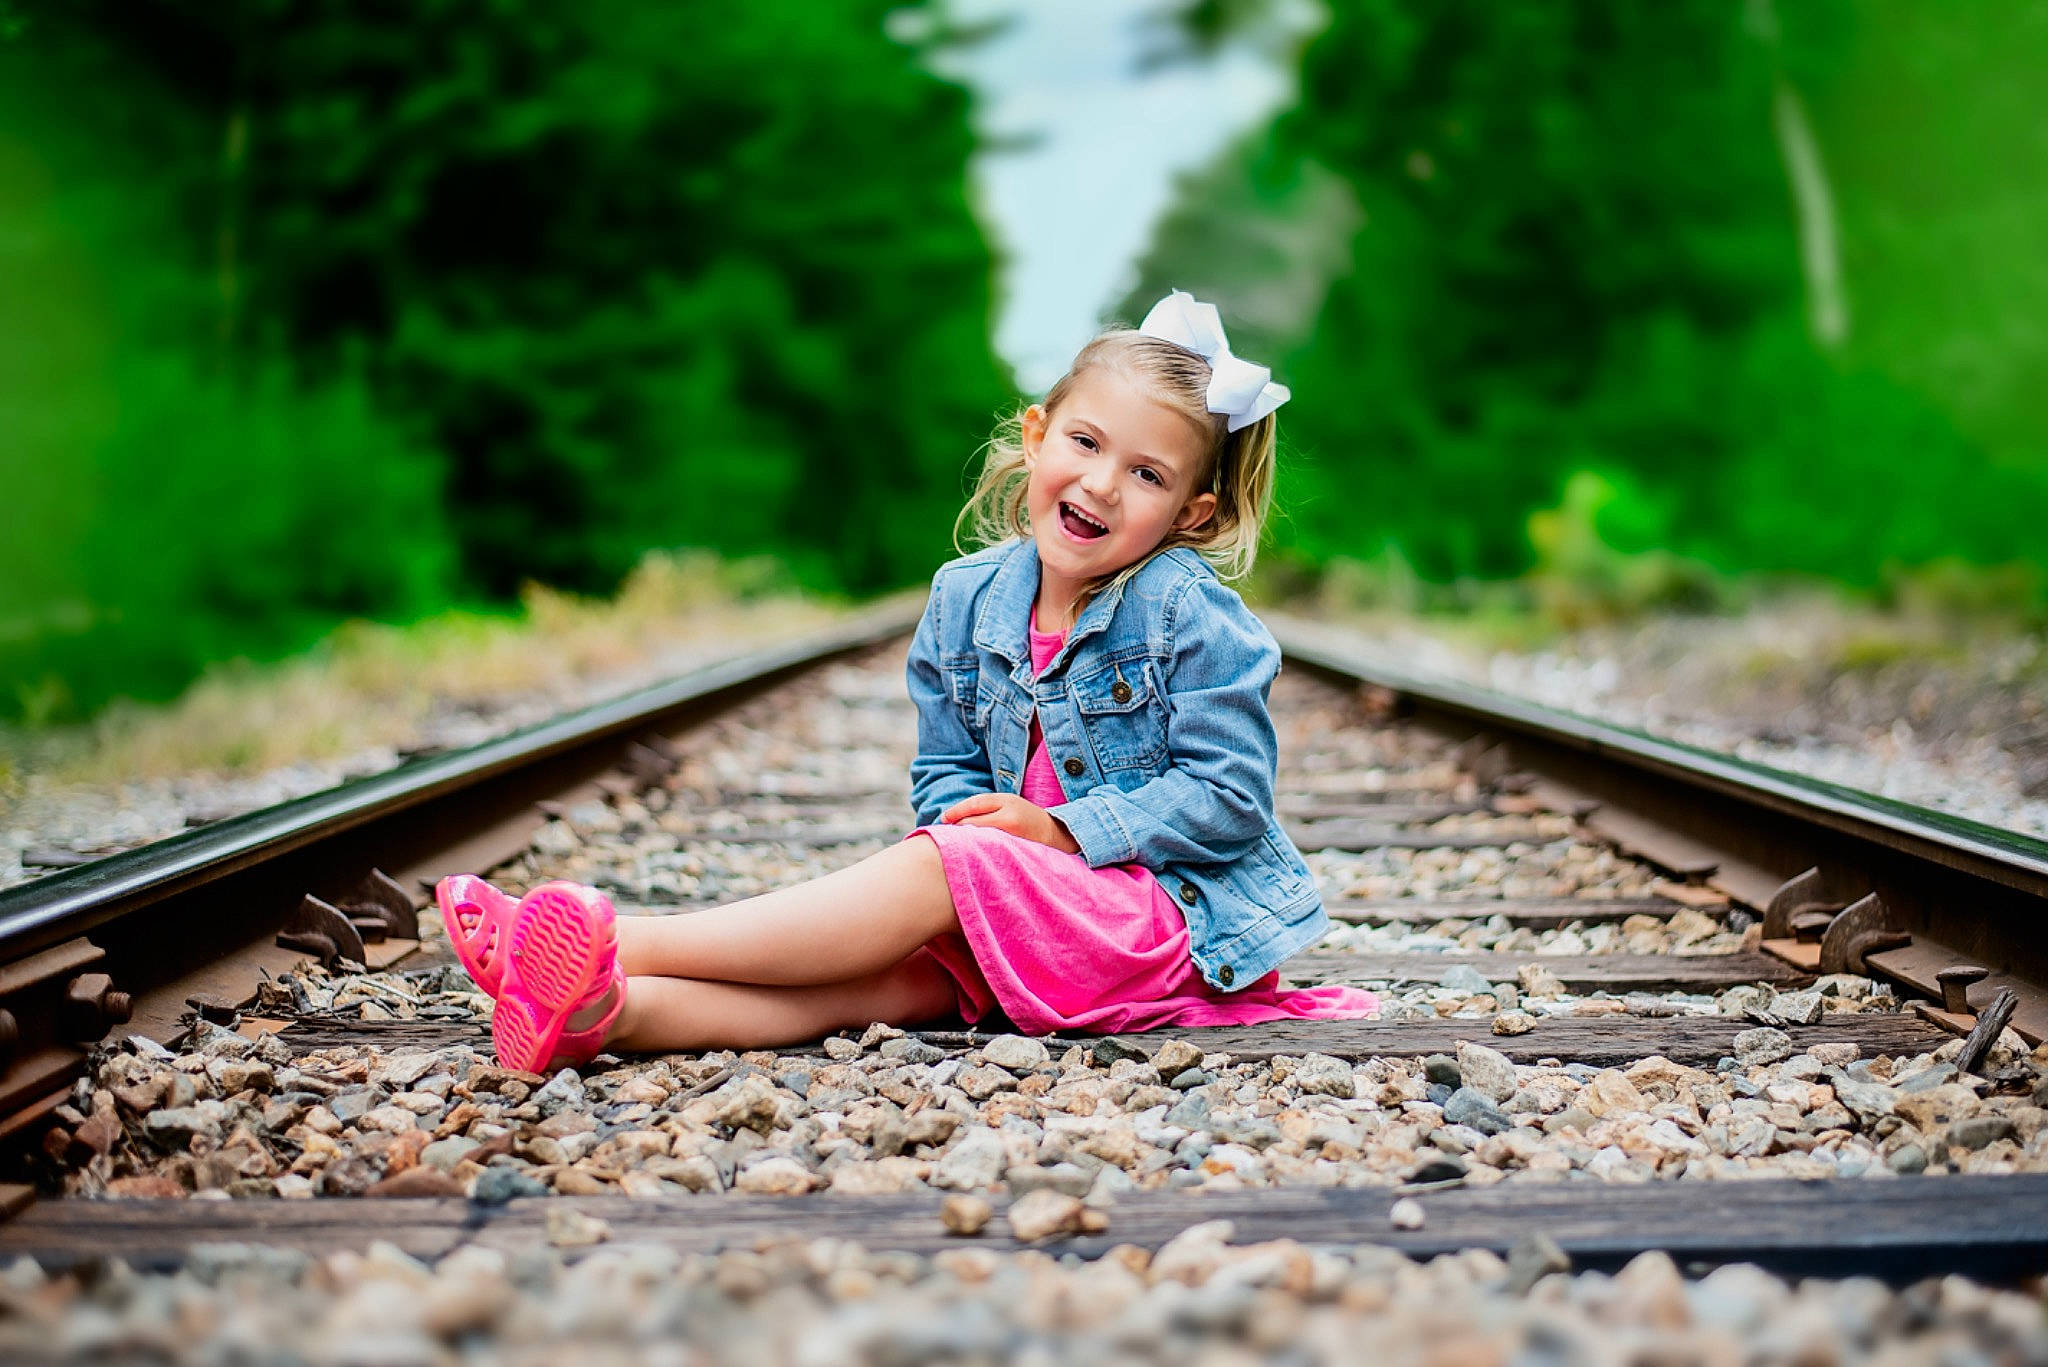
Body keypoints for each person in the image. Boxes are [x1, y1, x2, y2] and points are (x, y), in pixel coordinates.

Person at [439, 289, 1379, 1074]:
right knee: (874, 982)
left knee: (944, 864)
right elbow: (946, 774)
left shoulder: (1189, 612)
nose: (1101, 484)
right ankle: (606, 1011)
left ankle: (614, 936)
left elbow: (1230, 796)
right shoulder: (964, 600)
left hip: (1160, 922)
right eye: (1087, 443)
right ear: (1037, 434)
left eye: (1146, 474)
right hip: (1032, 915)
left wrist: (1053, 832)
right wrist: (966, 838)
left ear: (1190, 512)